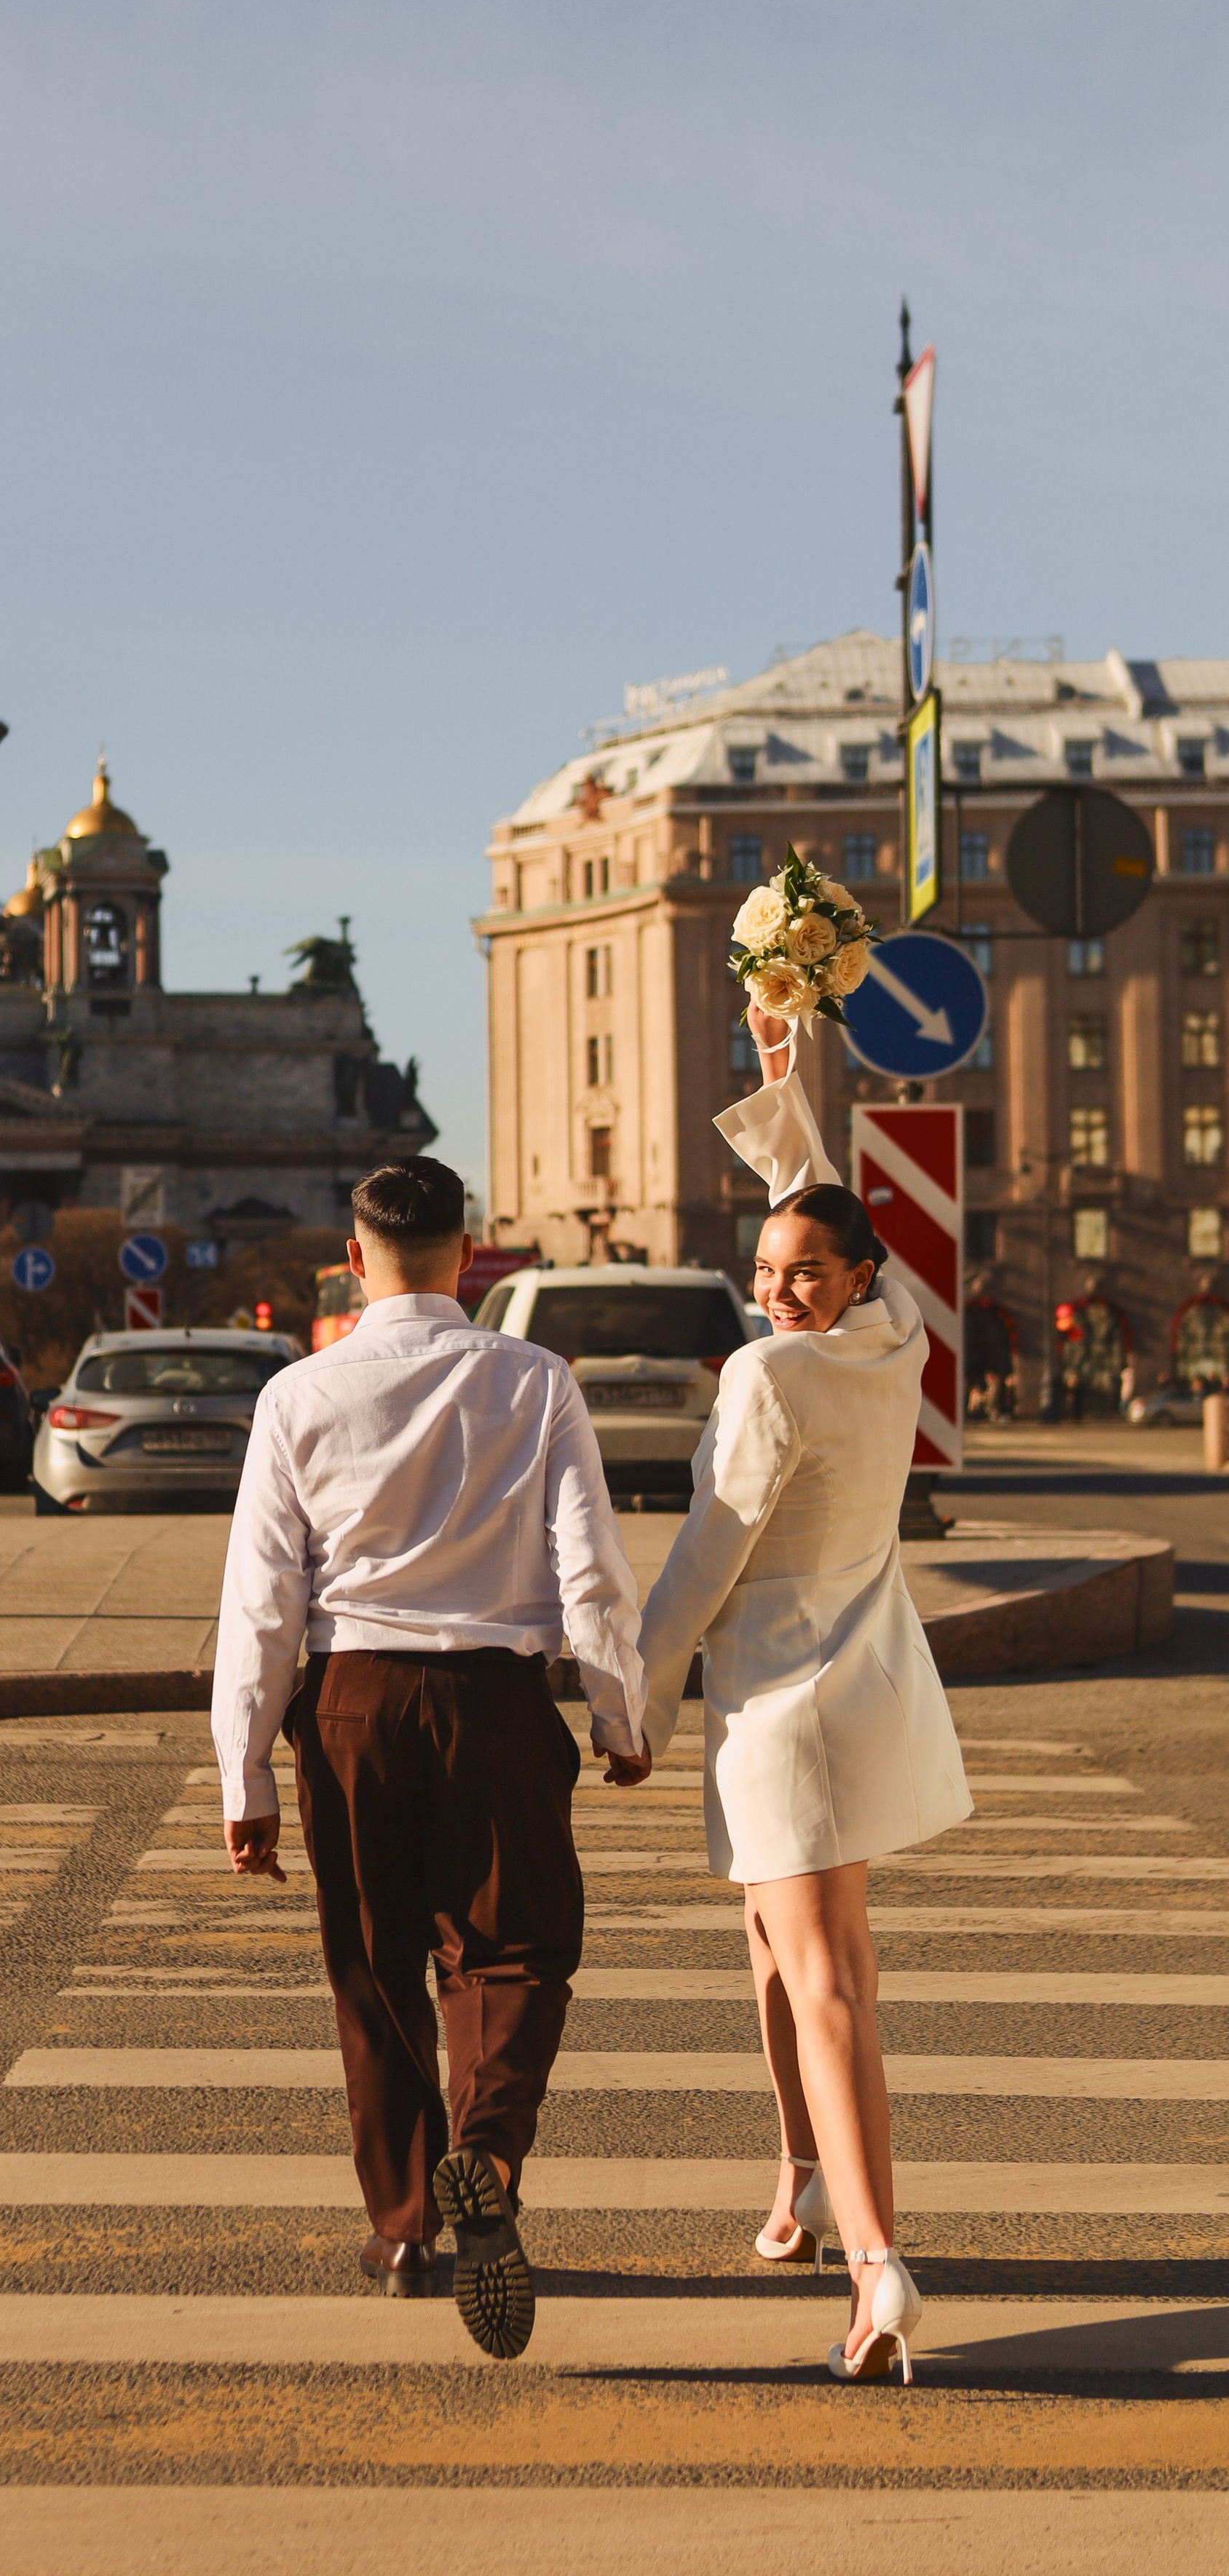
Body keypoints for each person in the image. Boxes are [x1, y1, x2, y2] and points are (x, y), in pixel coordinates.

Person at [210, 1156, 646, 2360]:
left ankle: (404, 2230)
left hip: (351, 1702)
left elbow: (260, 1603)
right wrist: (621, 1716)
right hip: (496, 1702)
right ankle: (489, 2156)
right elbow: (591, 1571)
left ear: (354, 1259)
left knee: (373, 1966)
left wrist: (243, 1774)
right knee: (512, 1954)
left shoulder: (297, 1395)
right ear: (471, 1253)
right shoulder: (536, 1381)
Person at [631, 1008, 972, 2385]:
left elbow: (706, 1558)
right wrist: (783, 1077)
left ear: (852, 1278)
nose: (779, 1286)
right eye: (767, 1268)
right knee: (776, 1955)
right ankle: (804, 2180)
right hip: (863, 1681)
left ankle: (880, 2258)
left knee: (829, 1977)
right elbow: (822, 1210)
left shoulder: (767, 1375)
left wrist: (635, 1701)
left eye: (803, 1271)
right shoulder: (896, 1342)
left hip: (781, 1709)